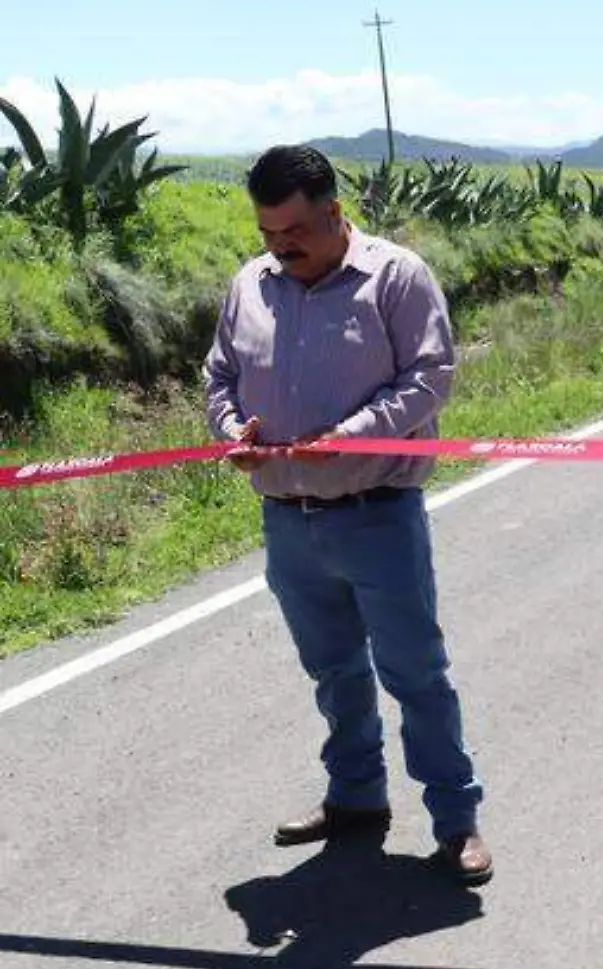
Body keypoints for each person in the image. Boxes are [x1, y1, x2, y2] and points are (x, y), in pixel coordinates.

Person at [204, 145, 491, 885]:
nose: (280, 246)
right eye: (268, 233)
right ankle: (356, 798)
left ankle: (456, 821)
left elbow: (431, 375)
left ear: (335, 211)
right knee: (333, 671)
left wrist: (351, 438)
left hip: (376, 511)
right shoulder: (251, 284)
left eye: (294, 229)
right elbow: (221, 376)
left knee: (415, 674)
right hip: (287, 520)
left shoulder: (395, 276)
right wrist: (231, 428)